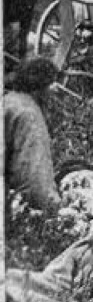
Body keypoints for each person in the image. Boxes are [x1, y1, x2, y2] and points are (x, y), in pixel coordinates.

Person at [4, 57, 61, 209]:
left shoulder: (8, 100)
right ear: (40, 86)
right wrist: (53, 207)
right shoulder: (30, 116)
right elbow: (35, 178)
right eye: (51, 83)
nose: (54, 90)